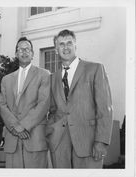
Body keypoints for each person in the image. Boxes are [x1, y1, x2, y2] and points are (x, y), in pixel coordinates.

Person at [46, 29, 113, 168]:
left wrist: (101, 141)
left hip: (88, 142)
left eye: (69, 43)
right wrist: (51, 132)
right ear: (56, 49)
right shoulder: (52, 78)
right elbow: (53, 110)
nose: (66, 47)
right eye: (61, 44)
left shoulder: (94, 69)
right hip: (59, 145)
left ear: (75, 46)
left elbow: (105, 108)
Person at [0, 37, 50, 168]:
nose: (24, 51)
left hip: (35, 138)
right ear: (16, 54)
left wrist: (23, 126)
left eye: (27, 49)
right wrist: (15, 126)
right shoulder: (6, 79)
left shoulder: (44, 75)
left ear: (32, 54)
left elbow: (43, 104)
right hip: (12, 140)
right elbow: (2, 105)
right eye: (20, 49)